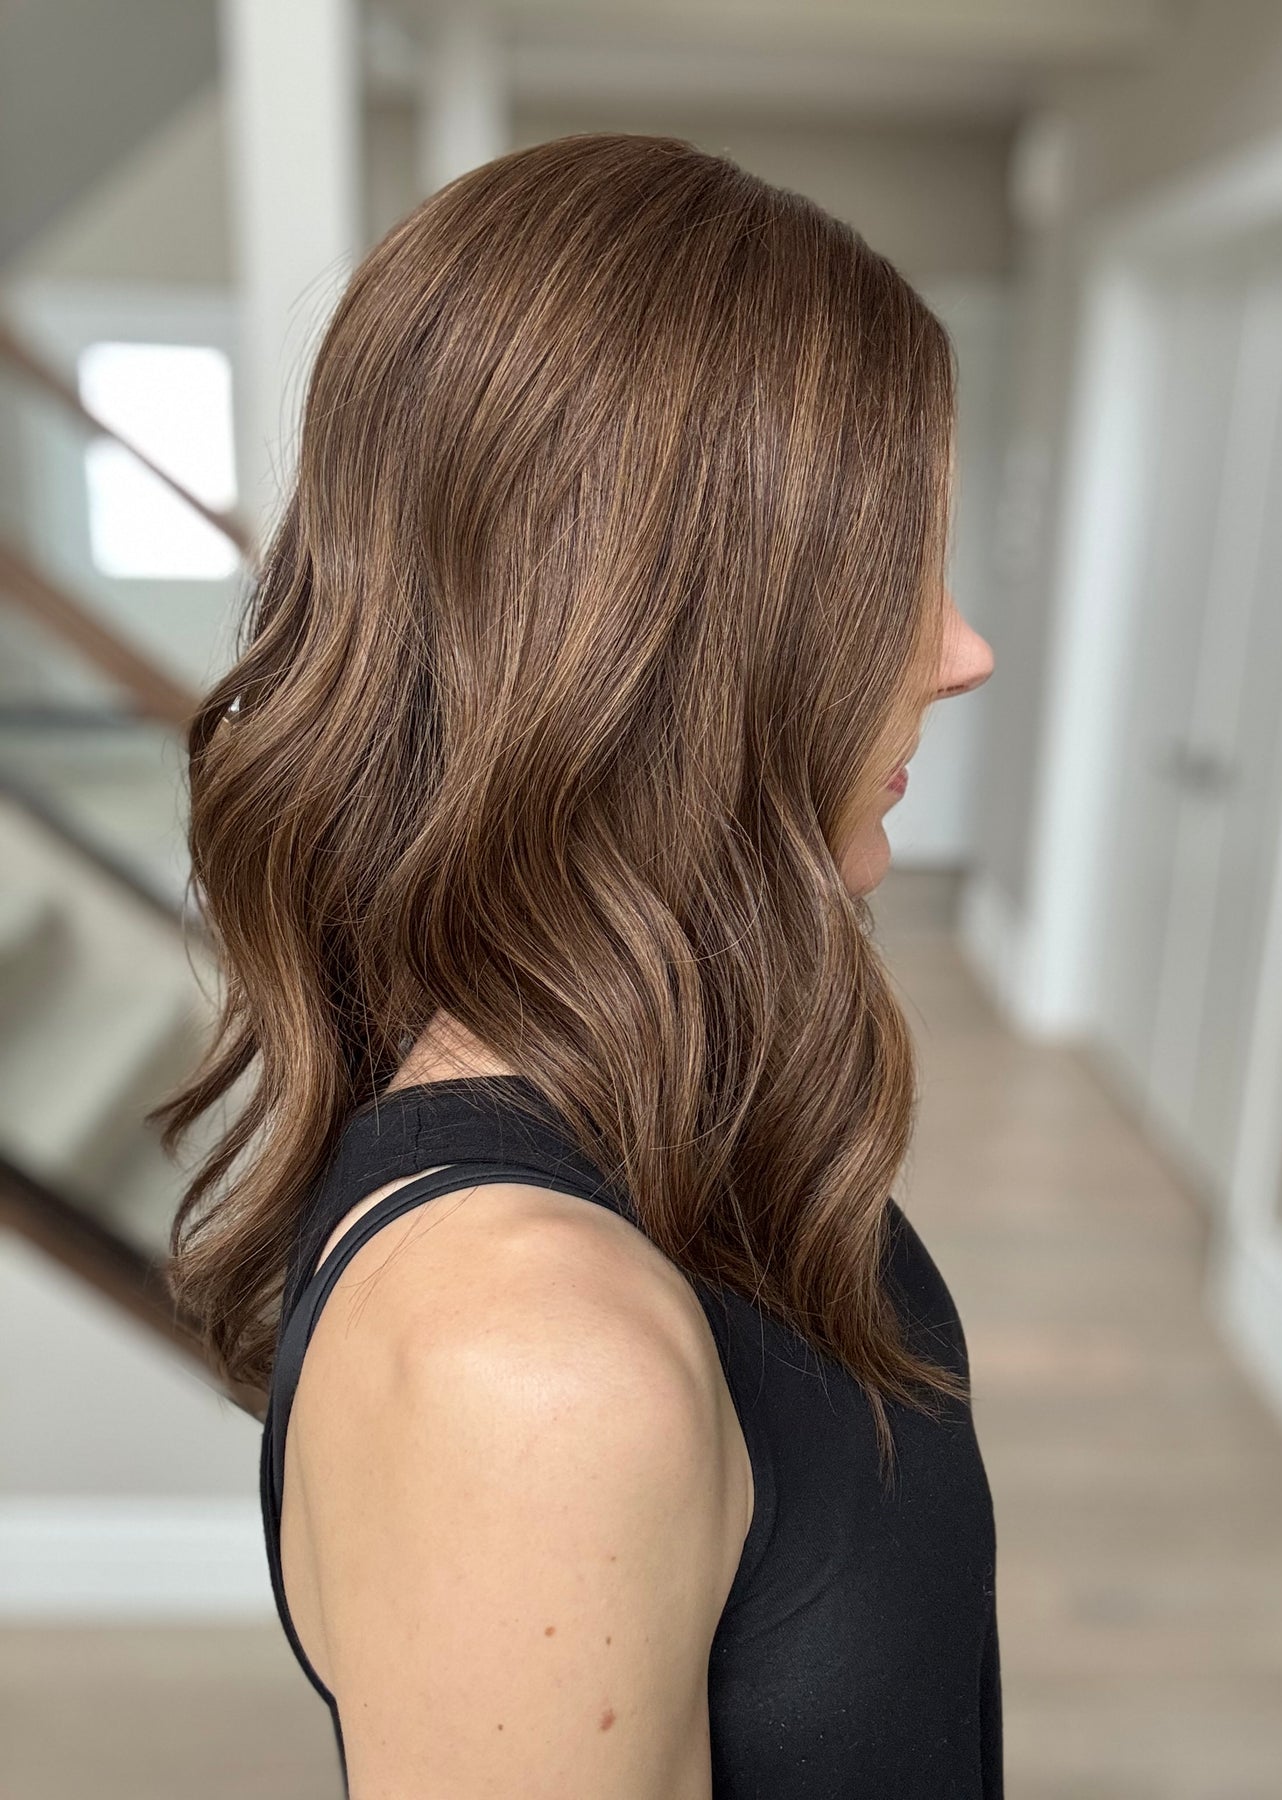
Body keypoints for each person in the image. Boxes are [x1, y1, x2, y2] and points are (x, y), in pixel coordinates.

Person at [157, 131, 998, 1798]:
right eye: (885, 575)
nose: (958, 652)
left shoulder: (682, 1119)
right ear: (672, 637)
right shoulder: (527, 1359)